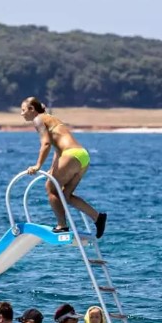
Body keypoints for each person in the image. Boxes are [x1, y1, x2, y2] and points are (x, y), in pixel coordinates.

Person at [20, 97, 107, 238]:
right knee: (65, 195)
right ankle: (97, 217)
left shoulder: (38, 119)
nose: (22, 113)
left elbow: (46, 144)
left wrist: (37, 165)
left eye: (23, 110)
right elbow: (57, 149)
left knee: (50, 188)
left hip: (70, 155)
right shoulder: (51, 118)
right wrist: (52, 168)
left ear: (32, 109)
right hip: (82, 155)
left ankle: (62, 225)